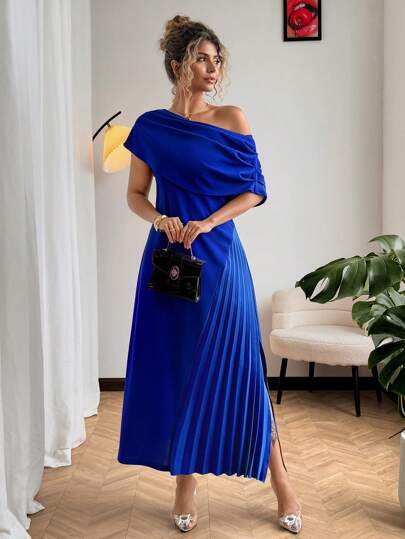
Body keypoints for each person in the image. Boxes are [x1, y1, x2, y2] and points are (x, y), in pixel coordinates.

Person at [117, 14, 303, 534]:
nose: (212, 68)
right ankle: (184, 482)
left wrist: (208, 222)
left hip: (220, 260)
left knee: (244, 369)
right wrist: (161, 219)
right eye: (202, 58)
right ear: (178, 64)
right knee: (177, 367)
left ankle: (282, 481)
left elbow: (255, 189)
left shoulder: (232, 118)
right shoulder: (150, 127)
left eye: (216, 59)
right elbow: (135, 195)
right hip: (169, 263)